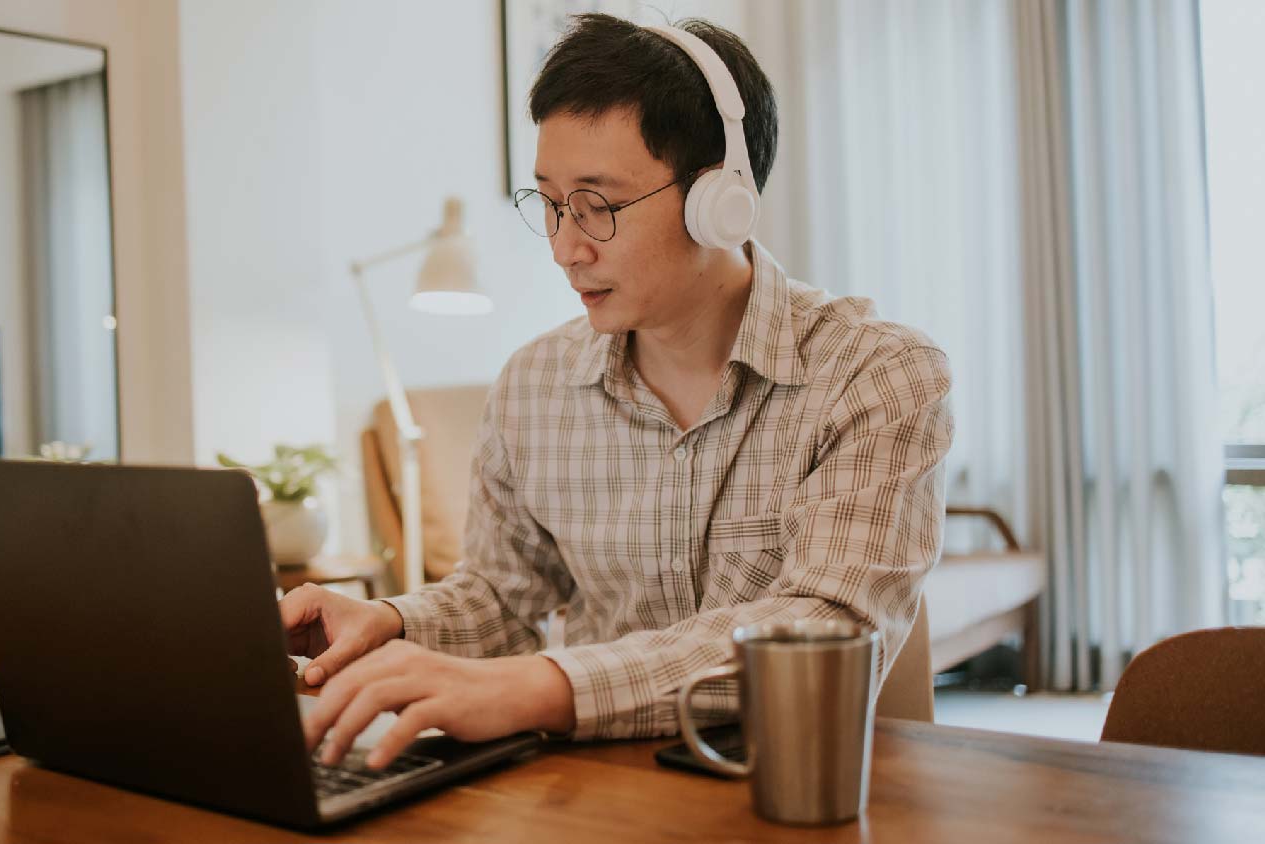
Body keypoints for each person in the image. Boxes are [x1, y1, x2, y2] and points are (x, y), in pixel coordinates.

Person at [285, 13, 953, 771]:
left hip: (801, 787)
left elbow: (823, 628)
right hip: (598, 794)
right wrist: (389, 623)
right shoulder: (532, 386)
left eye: (598, 204)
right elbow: (504, 599)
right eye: (548, 201)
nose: (567, 247)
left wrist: (540, 689)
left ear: (720, 200)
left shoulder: (876, 373)